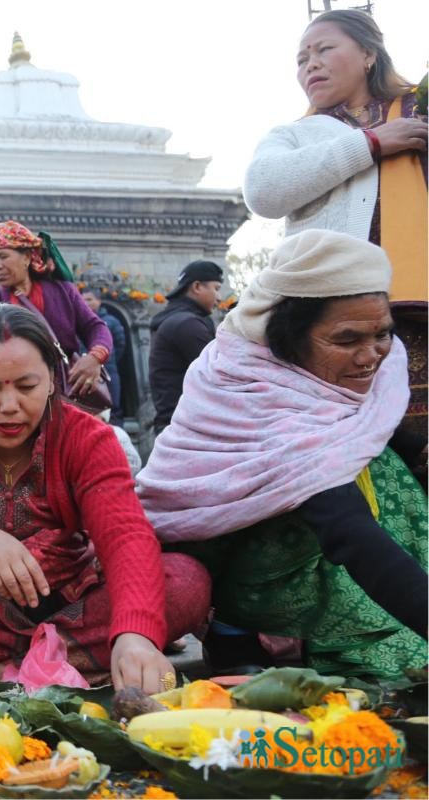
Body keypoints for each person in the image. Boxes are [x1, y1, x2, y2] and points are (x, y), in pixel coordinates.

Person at [0, 304, 210, 691]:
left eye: (27, 387)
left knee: (186, 581)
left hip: (74, 600)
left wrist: (135, 633)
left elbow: (125, 536)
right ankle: (62, 661)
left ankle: (0, 669)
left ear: (52, 380)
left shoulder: (88, 437)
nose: (9, 406)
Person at [137, 230, 427, 679]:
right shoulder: (247, 388)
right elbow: (347, 529)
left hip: (329, 554)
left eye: (383, 334)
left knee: (383, 464)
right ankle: (236, 630)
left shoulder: (358, 367)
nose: (371, 356)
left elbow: (372, 431)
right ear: (291, 338)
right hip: (249, 573)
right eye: (347, 340)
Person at [243, 9, 426, 441]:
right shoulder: (297, 134)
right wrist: (371, 143)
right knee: (356, 448)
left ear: (368, 54)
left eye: (324, 49)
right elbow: (263, 190)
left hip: (421, 309)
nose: (311, 65)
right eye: (302, 59)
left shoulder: (419, 108)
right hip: (341, 321)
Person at [0, 222, 112, 402]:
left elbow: (95, 327)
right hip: (12, 397)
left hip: (63, 392)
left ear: (27, 257)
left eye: (3, 256)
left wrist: (95, 358)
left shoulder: (63, 291)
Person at [147, 260, 223, 434]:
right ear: (197, 287)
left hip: (180, 425)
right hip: (187, 429)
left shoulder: (180, 319)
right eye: (216, 288)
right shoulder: (187, 325)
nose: (219, 298)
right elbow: (221, 374)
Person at [81, 289, 127, 425]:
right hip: (84, 372)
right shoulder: (79, 322)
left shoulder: (111, 321)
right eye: (83, 300)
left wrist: (107, 359)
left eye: (89, 299)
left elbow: (120, 344)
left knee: (113, 406)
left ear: (99, 301)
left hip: (108, 370)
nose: (86, 303)